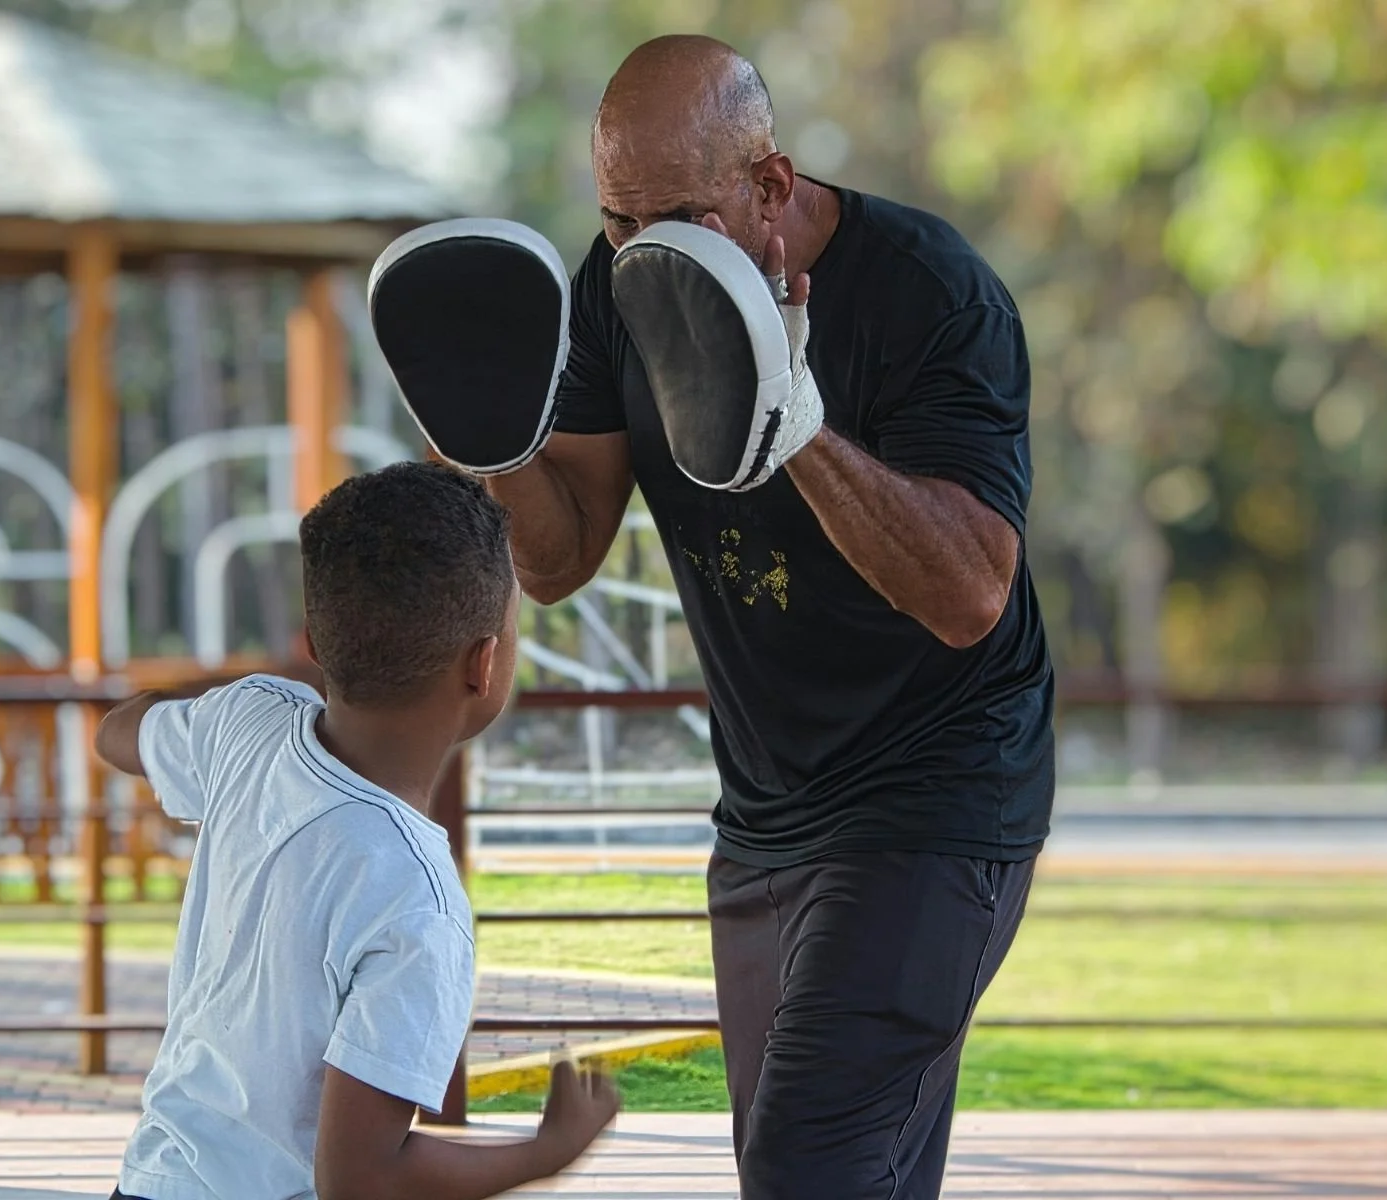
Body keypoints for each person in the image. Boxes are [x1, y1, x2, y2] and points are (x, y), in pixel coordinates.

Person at [374, 34, 1054, 1200]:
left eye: (677, 220)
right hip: (762, 819)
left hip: (933, 799)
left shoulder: (929, 293)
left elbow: (968, 596)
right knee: (831, 1169)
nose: (641, 253)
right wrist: (496, 448)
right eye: (616, 222)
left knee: (805, 1161)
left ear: (770, 187)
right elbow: (560, 557)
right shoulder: (614, 280)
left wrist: (795, 424)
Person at [94, 461, 619, 1200]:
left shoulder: (246, 726)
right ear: (486, 663)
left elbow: (117, 732)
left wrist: (228, 704)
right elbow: (361, 1178)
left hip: (150, 1184)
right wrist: (545, 1153)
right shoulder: (417, 902)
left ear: (313, 640)